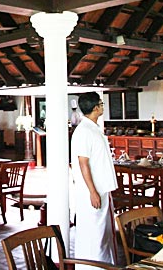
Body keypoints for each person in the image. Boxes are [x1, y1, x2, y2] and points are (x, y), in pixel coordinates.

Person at [71, 92, 117, 266]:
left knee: (102, 234)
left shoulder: (93, 128)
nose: (102, 106)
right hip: (92, 192)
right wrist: (92, 192)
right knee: (93, 235)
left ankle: (105, 265)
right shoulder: (83, 131)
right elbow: (83, 163)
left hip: (101, 188)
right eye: (101, 103)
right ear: (96, 108)